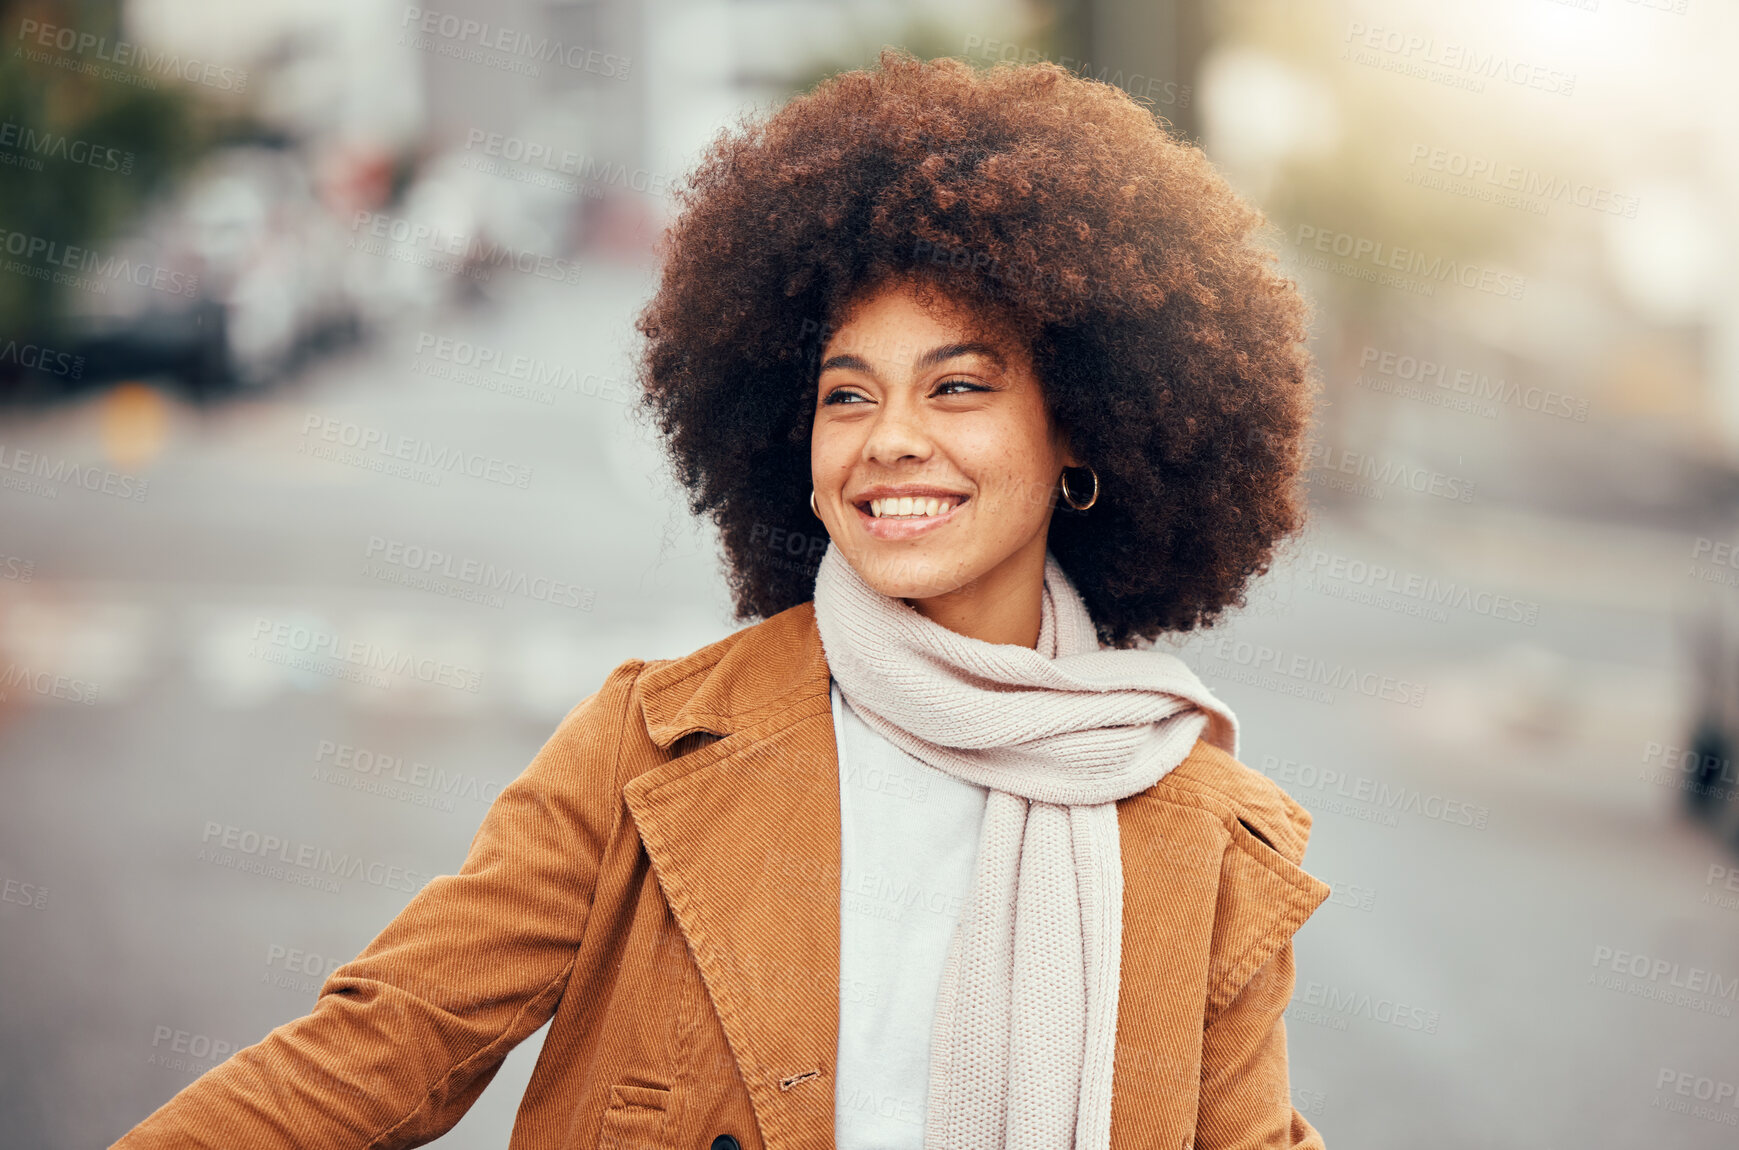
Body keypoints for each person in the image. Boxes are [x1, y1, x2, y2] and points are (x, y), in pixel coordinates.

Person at [114, 49, 1328, 1150]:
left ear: (1083, 429)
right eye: (846, 396)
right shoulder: (645, 745)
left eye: (957, 388)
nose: (889, 441)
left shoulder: (1204, 838)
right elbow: (378, 1050)